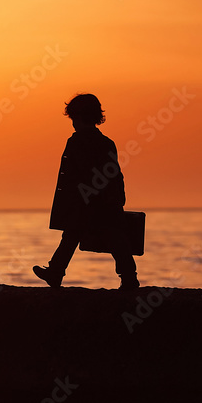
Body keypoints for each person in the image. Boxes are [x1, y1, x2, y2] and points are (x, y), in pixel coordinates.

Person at [33, 93, 139, 290]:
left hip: (86, 202)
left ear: (79, 117)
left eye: (73, 118)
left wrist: (74, 202)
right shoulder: (107, 143)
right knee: (115, 239)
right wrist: (117, 199)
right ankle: (129, 278)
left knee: (74, 235)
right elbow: (115, 174)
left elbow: (75, 175)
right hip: (106, 201)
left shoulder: (77, 142)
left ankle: (56, 272)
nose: (73, 123)